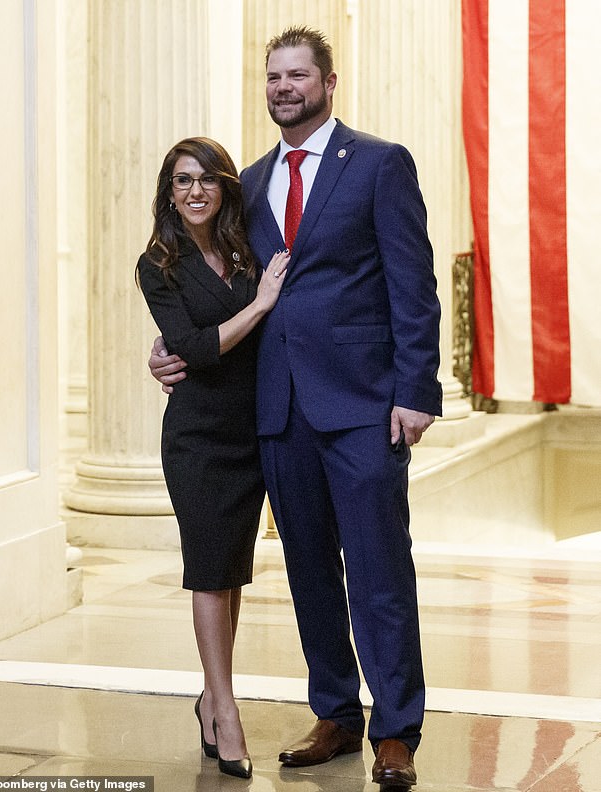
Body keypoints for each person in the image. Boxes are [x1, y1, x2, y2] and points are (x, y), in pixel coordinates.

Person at [149, 27, 442, 789]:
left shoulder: (379, 164)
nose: (283, 87)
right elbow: (222, 288)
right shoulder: (246, 182)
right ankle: (337, 714)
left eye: (298, 75)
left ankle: (397, 727)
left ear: (329, 81)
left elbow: (414, 284)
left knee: (378, 568)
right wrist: (170, 347)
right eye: (274, 76)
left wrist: (417, 391)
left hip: (363, 407)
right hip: (276, 409)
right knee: (310, 569)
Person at [137, 137, 289, 779]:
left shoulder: (246, 247)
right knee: (206, 569)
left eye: (205, 180)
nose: (194, 192)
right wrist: (259, 305)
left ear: (225, 186)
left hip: (250, 430)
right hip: (197, 436)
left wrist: (251, 309)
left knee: (231, 571)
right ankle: (225, 709)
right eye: (181, 182)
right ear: (168, 193)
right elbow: (195, 350)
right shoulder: (158, 264)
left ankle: (210, 696)